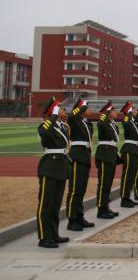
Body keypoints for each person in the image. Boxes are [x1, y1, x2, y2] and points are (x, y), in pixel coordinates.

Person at [35, 97, 70, 248]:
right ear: (53, 111)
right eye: (60, 108)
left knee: (56, 204)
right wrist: (53, 115)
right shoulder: (44, 126)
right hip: (49, 167)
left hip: (60, 167)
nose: (63, 110)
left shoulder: (61, 127)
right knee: (46, 204)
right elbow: (46, 134)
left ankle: (54, 234)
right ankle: (44, 236)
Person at [65, 98, 95, 232]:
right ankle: (72, 220)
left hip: (84, 157)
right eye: (86, 108)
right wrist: (81, 107)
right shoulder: (75, 120)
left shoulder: (85, 123)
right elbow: (71, 116)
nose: (89, 110)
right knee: (74, 190)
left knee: (81, 190)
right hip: (77, 157)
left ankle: (79, 216)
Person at [95, 101, 120, 219]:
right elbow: (100, 124)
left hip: (111, 154)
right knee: (103, 183)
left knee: (108, 183)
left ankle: (106, 206)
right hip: (104, 154)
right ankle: (101, 209)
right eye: (113, 111)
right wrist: (105, 113)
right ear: (109, 113)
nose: (116, 113)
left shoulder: (112, 124)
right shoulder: (103, 122)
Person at [119, 101, 138, 208]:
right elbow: (124, 120)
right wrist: (127, 112)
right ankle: (124, 198)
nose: (136, 111)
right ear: (130, 112)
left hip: (134, 149)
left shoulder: (133, 121)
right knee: (127, 174)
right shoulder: (127, 120)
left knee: (132, 174)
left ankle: (127, 197)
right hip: (128, 149)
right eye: (134, 109)